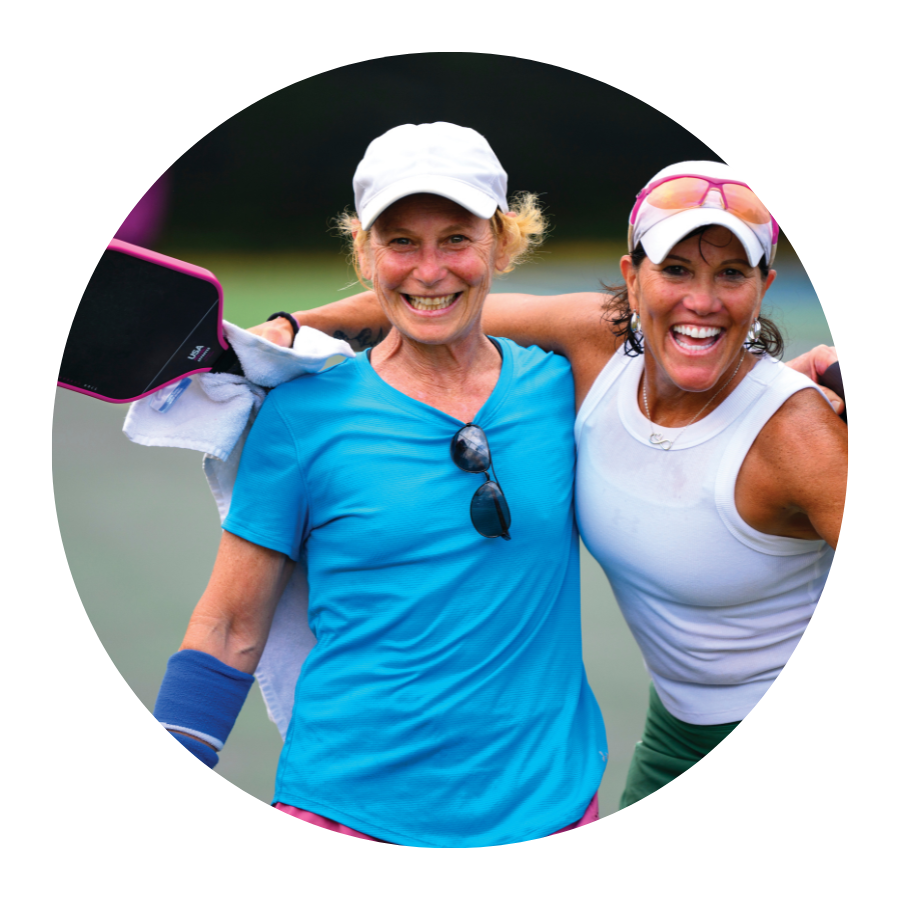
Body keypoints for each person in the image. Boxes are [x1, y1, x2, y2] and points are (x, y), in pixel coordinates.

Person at [253, 158, 847, 809]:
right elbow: (428, 301)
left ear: (764, 285)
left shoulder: (801, 434)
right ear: (633, 277)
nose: (700, 301)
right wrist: (286, 330)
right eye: (675, 269)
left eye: (731, 273)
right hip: (674, 736)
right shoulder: (599, 340)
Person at [153, 122, 608, 847]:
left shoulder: (563, 390)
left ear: (502, 243)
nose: (429, 270)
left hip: (550, 805)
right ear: (364, 254)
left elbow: (629, 322)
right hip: (348, 811)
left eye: (457, 238)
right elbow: (230, 625)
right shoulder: (303, 415)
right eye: (399, 241)